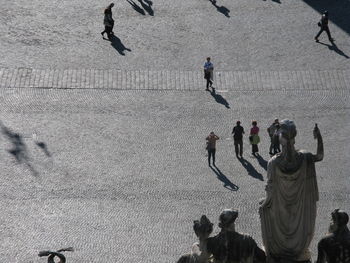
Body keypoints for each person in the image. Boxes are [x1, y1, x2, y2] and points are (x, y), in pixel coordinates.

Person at [259, 120, 324, 262]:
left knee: (263, 210)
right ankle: (298, 251)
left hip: (280, 210)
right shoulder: (305, 157)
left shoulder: (274, 163)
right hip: (300, 210)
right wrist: (319, 137)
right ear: (294, 137)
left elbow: (269, 193)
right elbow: (319, 156)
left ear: (280, 138)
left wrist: (263, 205)